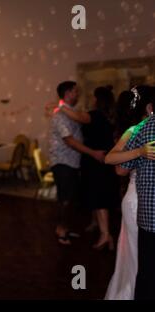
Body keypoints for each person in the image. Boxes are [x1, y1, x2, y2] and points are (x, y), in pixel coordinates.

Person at [104, 87, 155, 300]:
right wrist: (140, 153)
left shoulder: (140, 128)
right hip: (138, 199)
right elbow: (116, 166)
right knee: (138, 255)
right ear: (149, 107)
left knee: (140, 256)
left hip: (141, 197)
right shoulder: (137, 129)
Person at [59, 86, 118, 250]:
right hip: (103, 159)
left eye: (94, 97)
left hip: (95, 160)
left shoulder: (96, 115)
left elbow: (77, 116)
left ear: (98, 100)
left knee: (100, 200)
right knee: (100, 198)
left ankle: (105, 235)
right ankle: (105, 233)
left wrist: (61, 106)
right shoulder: (110, 116)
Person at [49, 81, 105, 245]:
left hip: (73, 161)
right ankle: (61, 229)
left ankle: (65, 226)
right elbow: (70, 141)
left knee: (71, 198)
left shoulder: (72, 112)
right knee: (65, 199)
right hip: (62, 161)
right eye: (75, 91)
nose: (78, 94)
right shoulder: (59, 115)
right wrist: (93, 153)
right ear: (67, 93)